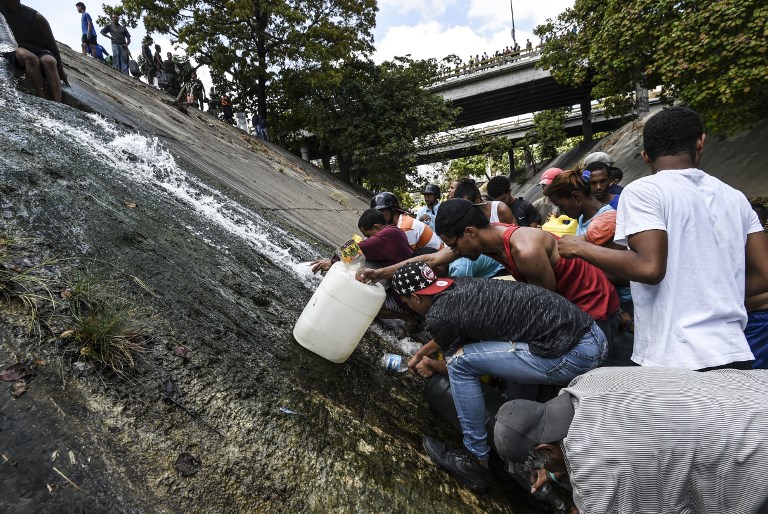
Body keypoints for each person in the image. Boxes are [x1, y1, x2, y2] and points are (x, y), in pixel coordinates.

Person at [558, 107, 768, 370]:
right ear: (700, 142)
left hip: (676, 356)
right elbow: (764, 273)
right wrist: (711, 290)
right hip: (734, 350)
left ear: (645, 157)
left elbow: (648, 268)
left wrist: (581, 248)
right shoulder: (735, 197)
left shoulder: (644, 191)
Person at [394, 262, 607, 492]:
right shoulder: (458, 285)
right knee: (487, 358)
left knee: (459, 363)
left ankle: (476, 461)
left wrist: (433, 366)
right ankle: (519, 445)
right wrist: (420, 352)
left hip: (573, 355)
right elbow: (454, 327)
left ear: (415, 298)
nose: (408, 306)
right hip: (592, 334)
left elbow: (458, 361)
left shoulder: (438, 316)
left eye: (406, 302)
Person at [494, 366, 768, 514]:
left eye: (543, 463)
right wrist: (555, 474)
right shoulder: (588, 381)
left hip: (754, 454)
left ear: (546, 448)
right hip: (753, 392)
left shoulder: (595, 477)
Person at [311, 208, 415, 322]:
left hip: (406, 298)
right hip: (402, 286)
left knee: (360, 303)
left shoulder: (389, 235)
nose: (368, 238)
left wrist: (332, 262)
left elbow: (360, 247)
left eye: (368, 235)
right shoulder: (395, 231)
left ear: (377, 227)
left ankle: (408, 316)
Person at [0, 0, 68, 102]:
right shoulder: (2, 10)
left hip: (40, 50)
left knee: (49, 61)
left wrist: (61, 70)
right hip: (17, 48)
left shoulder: (36, 17)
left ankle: (58, 102)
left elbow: (52, 44)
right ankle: (42, 98)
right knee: (30, 58)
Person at [370, 192, 443, 251]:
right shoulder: (400, 222)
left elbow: (405, 257)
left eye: (380, 212)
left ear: (392, 210)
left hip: (439, 262)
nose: (377, 216)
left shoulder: (406, 228)